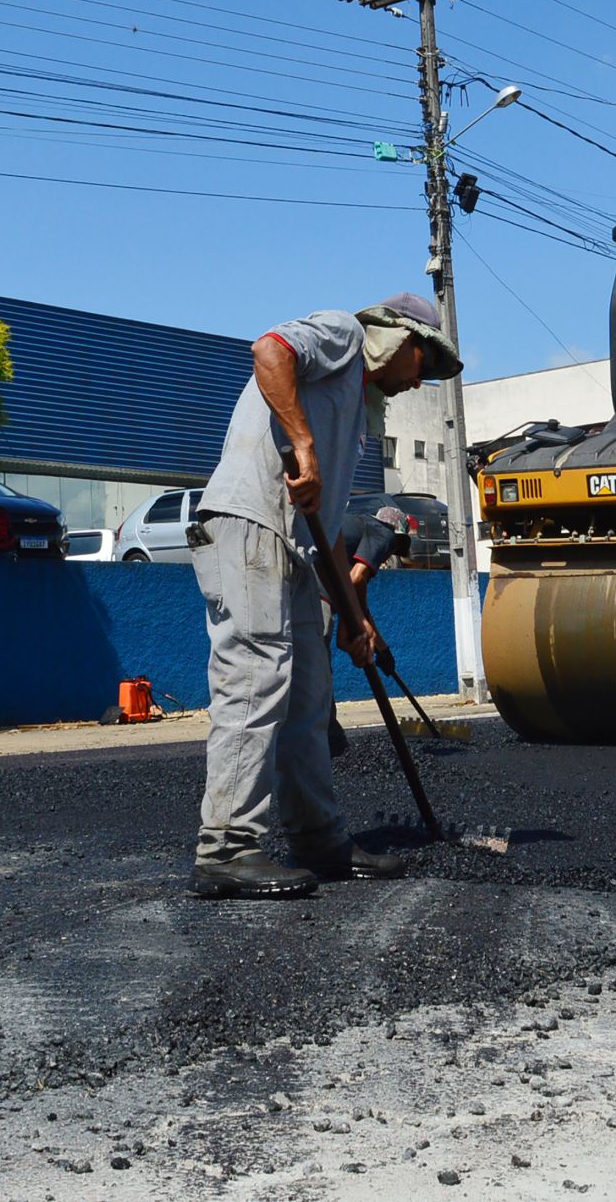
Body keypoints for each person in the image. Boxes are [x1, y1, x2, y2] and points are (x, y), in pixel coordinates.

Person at [187, 294, 462, 900]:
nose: (421, 380)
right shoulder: (341, 335)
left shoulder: (355, 412)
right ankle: (227, 846)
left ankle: (320, 840)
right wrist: (302, 445)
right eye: (424, 362)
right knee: (255, 678)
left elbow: (329, 526)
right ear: (399, 339)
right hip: (250, 522)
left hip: (296, 548)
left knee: (308, 697)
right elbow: (270, 350)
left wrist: (354, 616)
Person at [322, 500, 412, 757]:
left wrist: (383, 650)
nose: (388, 555)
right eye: (395, 549)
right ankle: (327, 739)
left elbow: (357, 604)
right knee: (317, 666)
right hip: (316, 593)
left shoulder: (354, 529)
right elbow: (356, 579)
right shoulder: (382, 531)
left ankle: (326, 736)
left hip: (307, 587)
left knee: (315, 663)